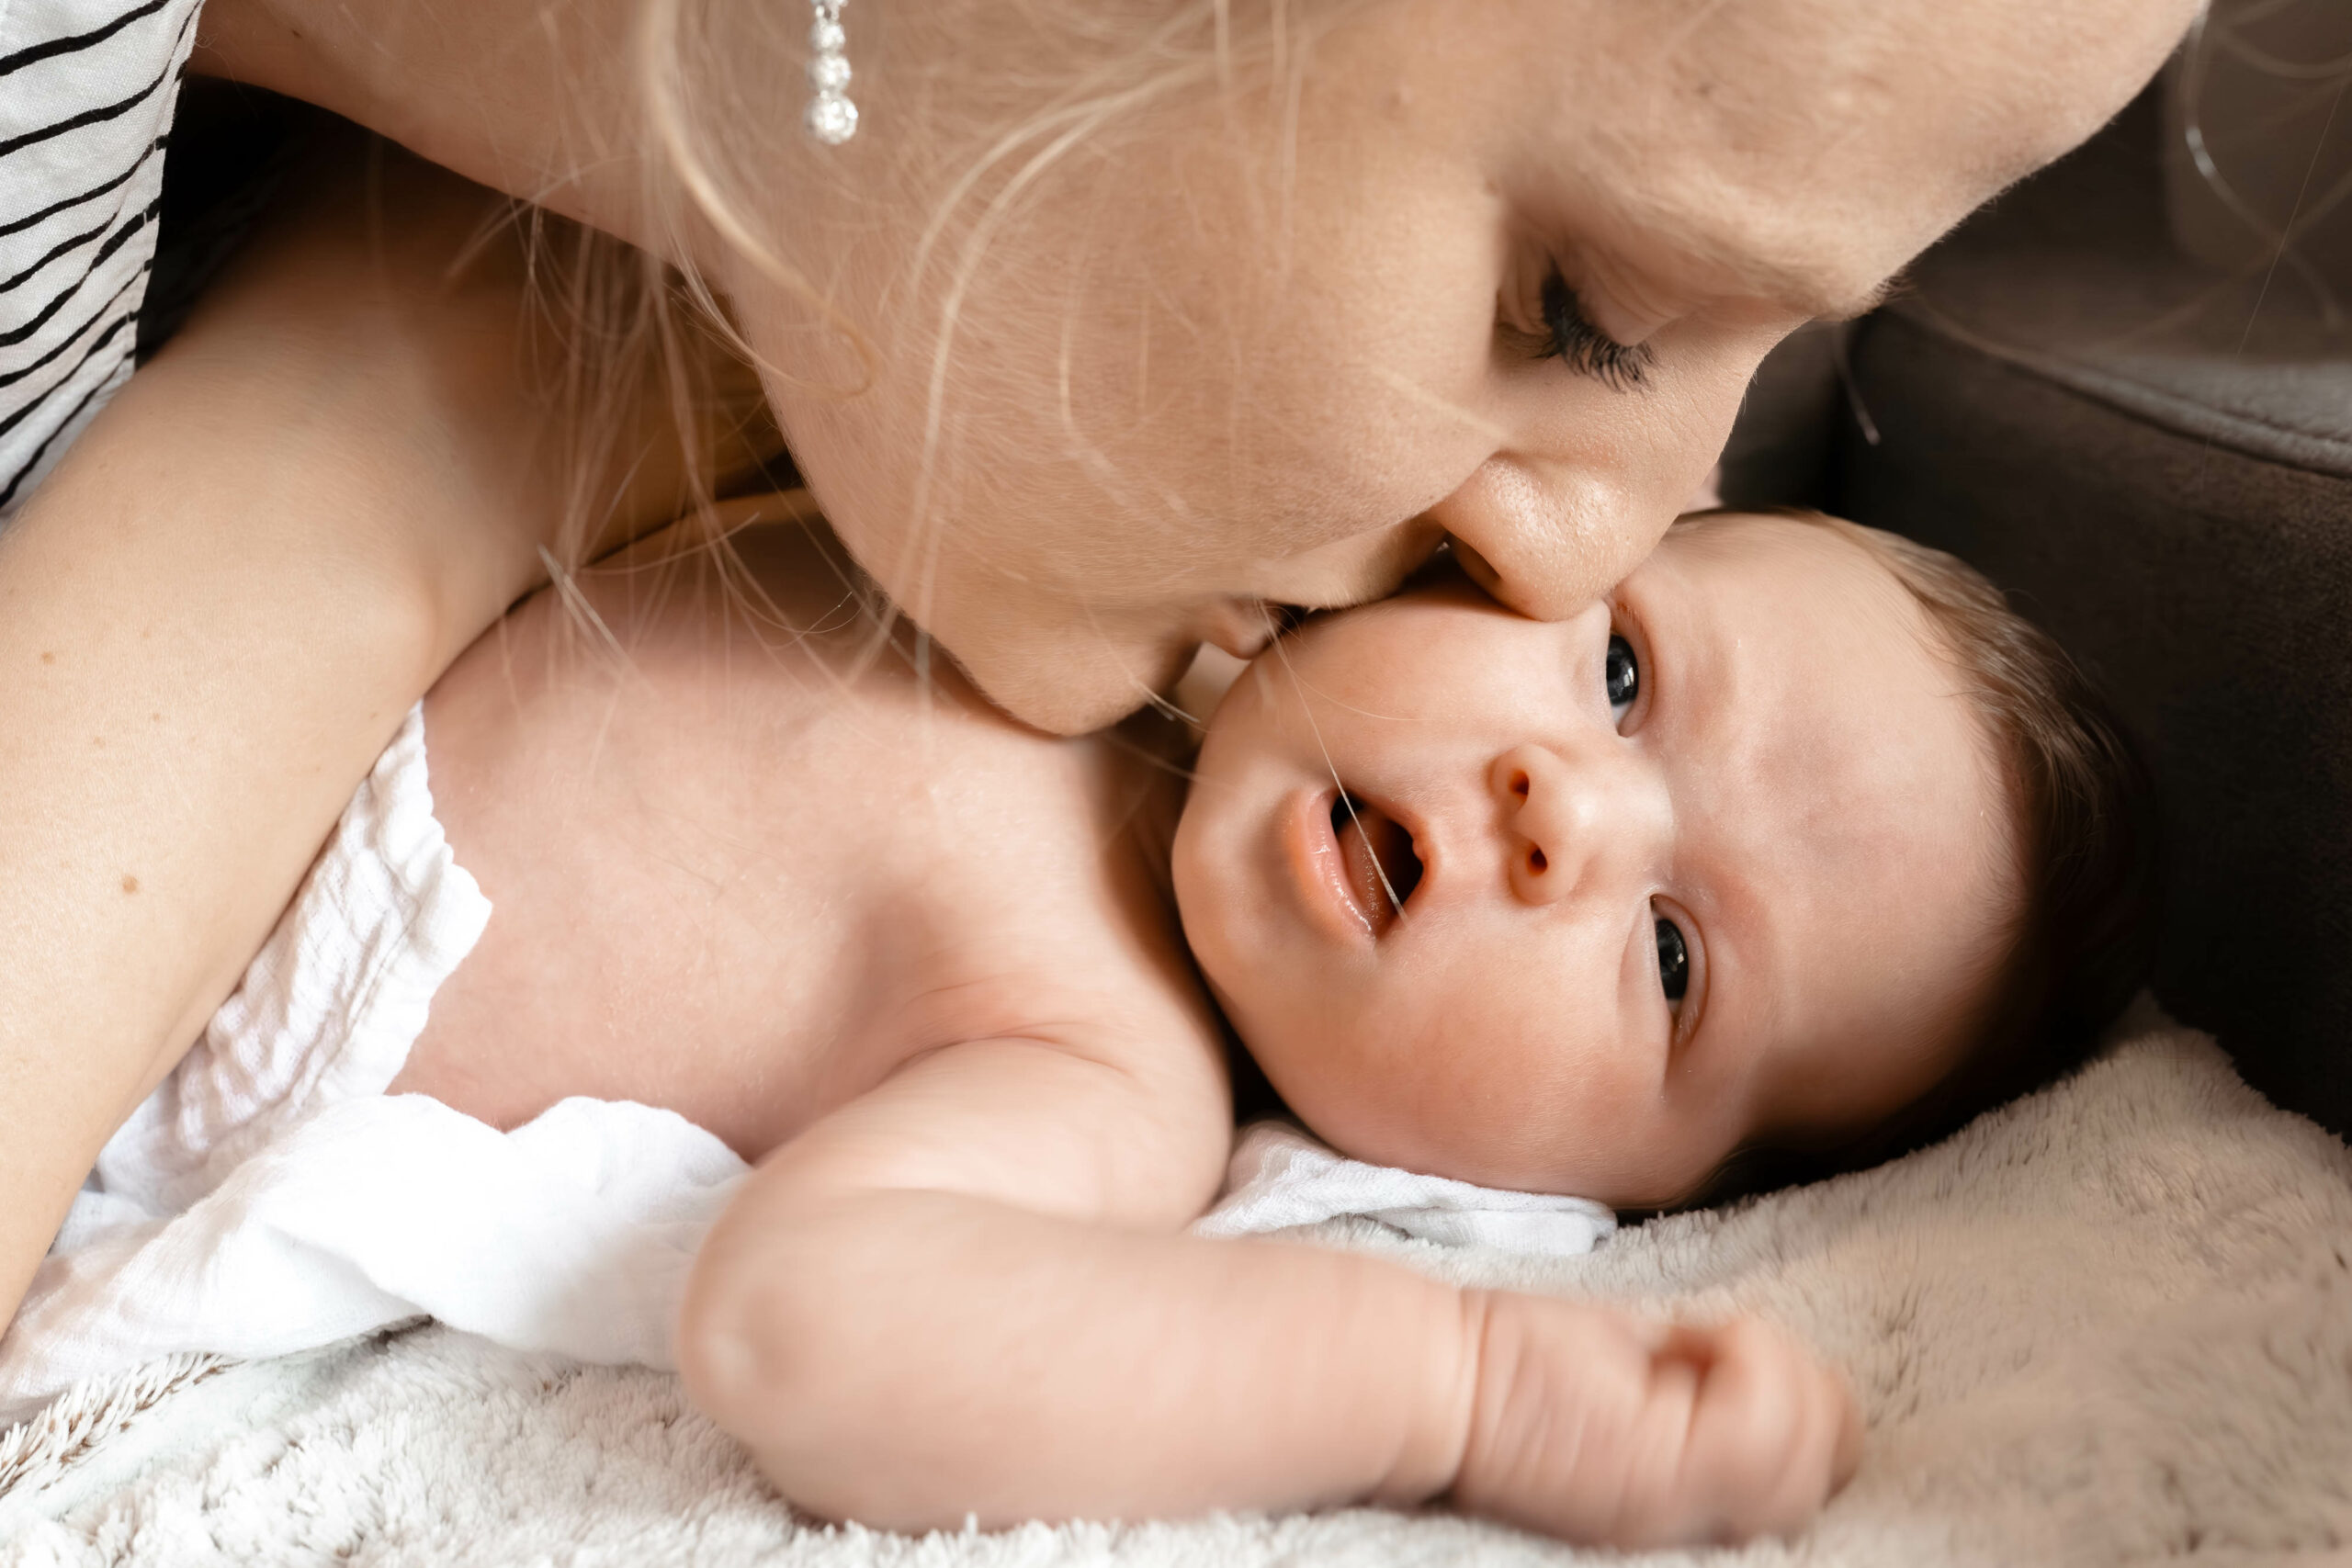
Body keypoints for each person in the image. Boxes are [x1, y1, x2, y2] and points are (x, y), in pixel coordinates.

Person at [0, 0, 2199, 1359]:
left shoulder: (1102, 1067)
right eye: (1581, 299)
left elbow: (867, 1314)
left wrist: (379, 424)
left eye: (1669, 957)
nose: (1578, 543)